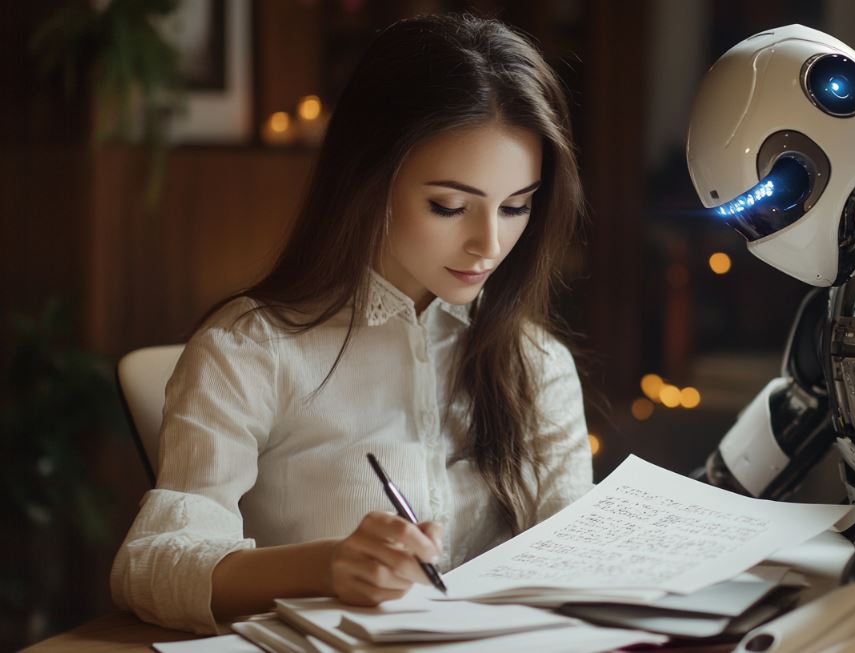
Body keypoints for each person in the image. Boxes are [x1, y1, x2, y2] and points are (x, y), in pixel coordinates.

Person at [110, 13, 592, 634]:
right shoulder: (252, 349)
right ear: (370, 179)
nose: (489, 244)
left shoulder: (535, 362)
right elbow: (148, 565)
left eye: (517, 206)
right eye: (449, 206)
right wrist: (324, 566)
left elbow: (582, 553)